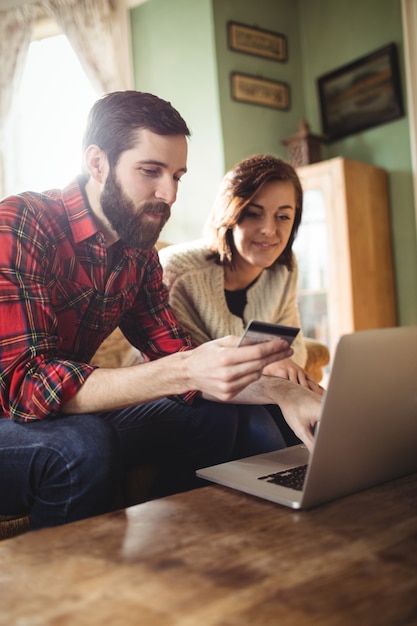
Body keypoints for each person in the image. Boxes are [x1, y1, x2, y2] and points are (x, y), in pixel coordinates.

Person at [0, 91, 322, 530]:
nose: (167, 193)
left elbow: (182, 357)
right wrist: (187, 369)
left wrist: (287, 393)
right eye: (150, 171)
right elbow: (27, 386)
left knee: (212, 416)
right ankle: (64, 592)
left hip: (64, 418)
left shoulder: (138, 255)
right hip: (12, 420)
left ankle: (173, 546)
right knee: (82, 445)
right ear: (97, 163)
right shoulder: (23, 223)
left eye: (177, 176)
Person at [160, 154, 323, 444]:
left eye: (283, 216)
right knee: (261, 428)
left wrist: (283, 375)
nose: (270, 230)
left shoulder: (285, 269)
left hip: (256, 389)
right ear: (230, 213)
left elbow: (292, 350)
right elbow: (187, 363)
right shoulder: (179, 271)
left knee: (319, 419)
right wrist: (266, 365)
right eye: (254, 213)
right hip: (184, 393)